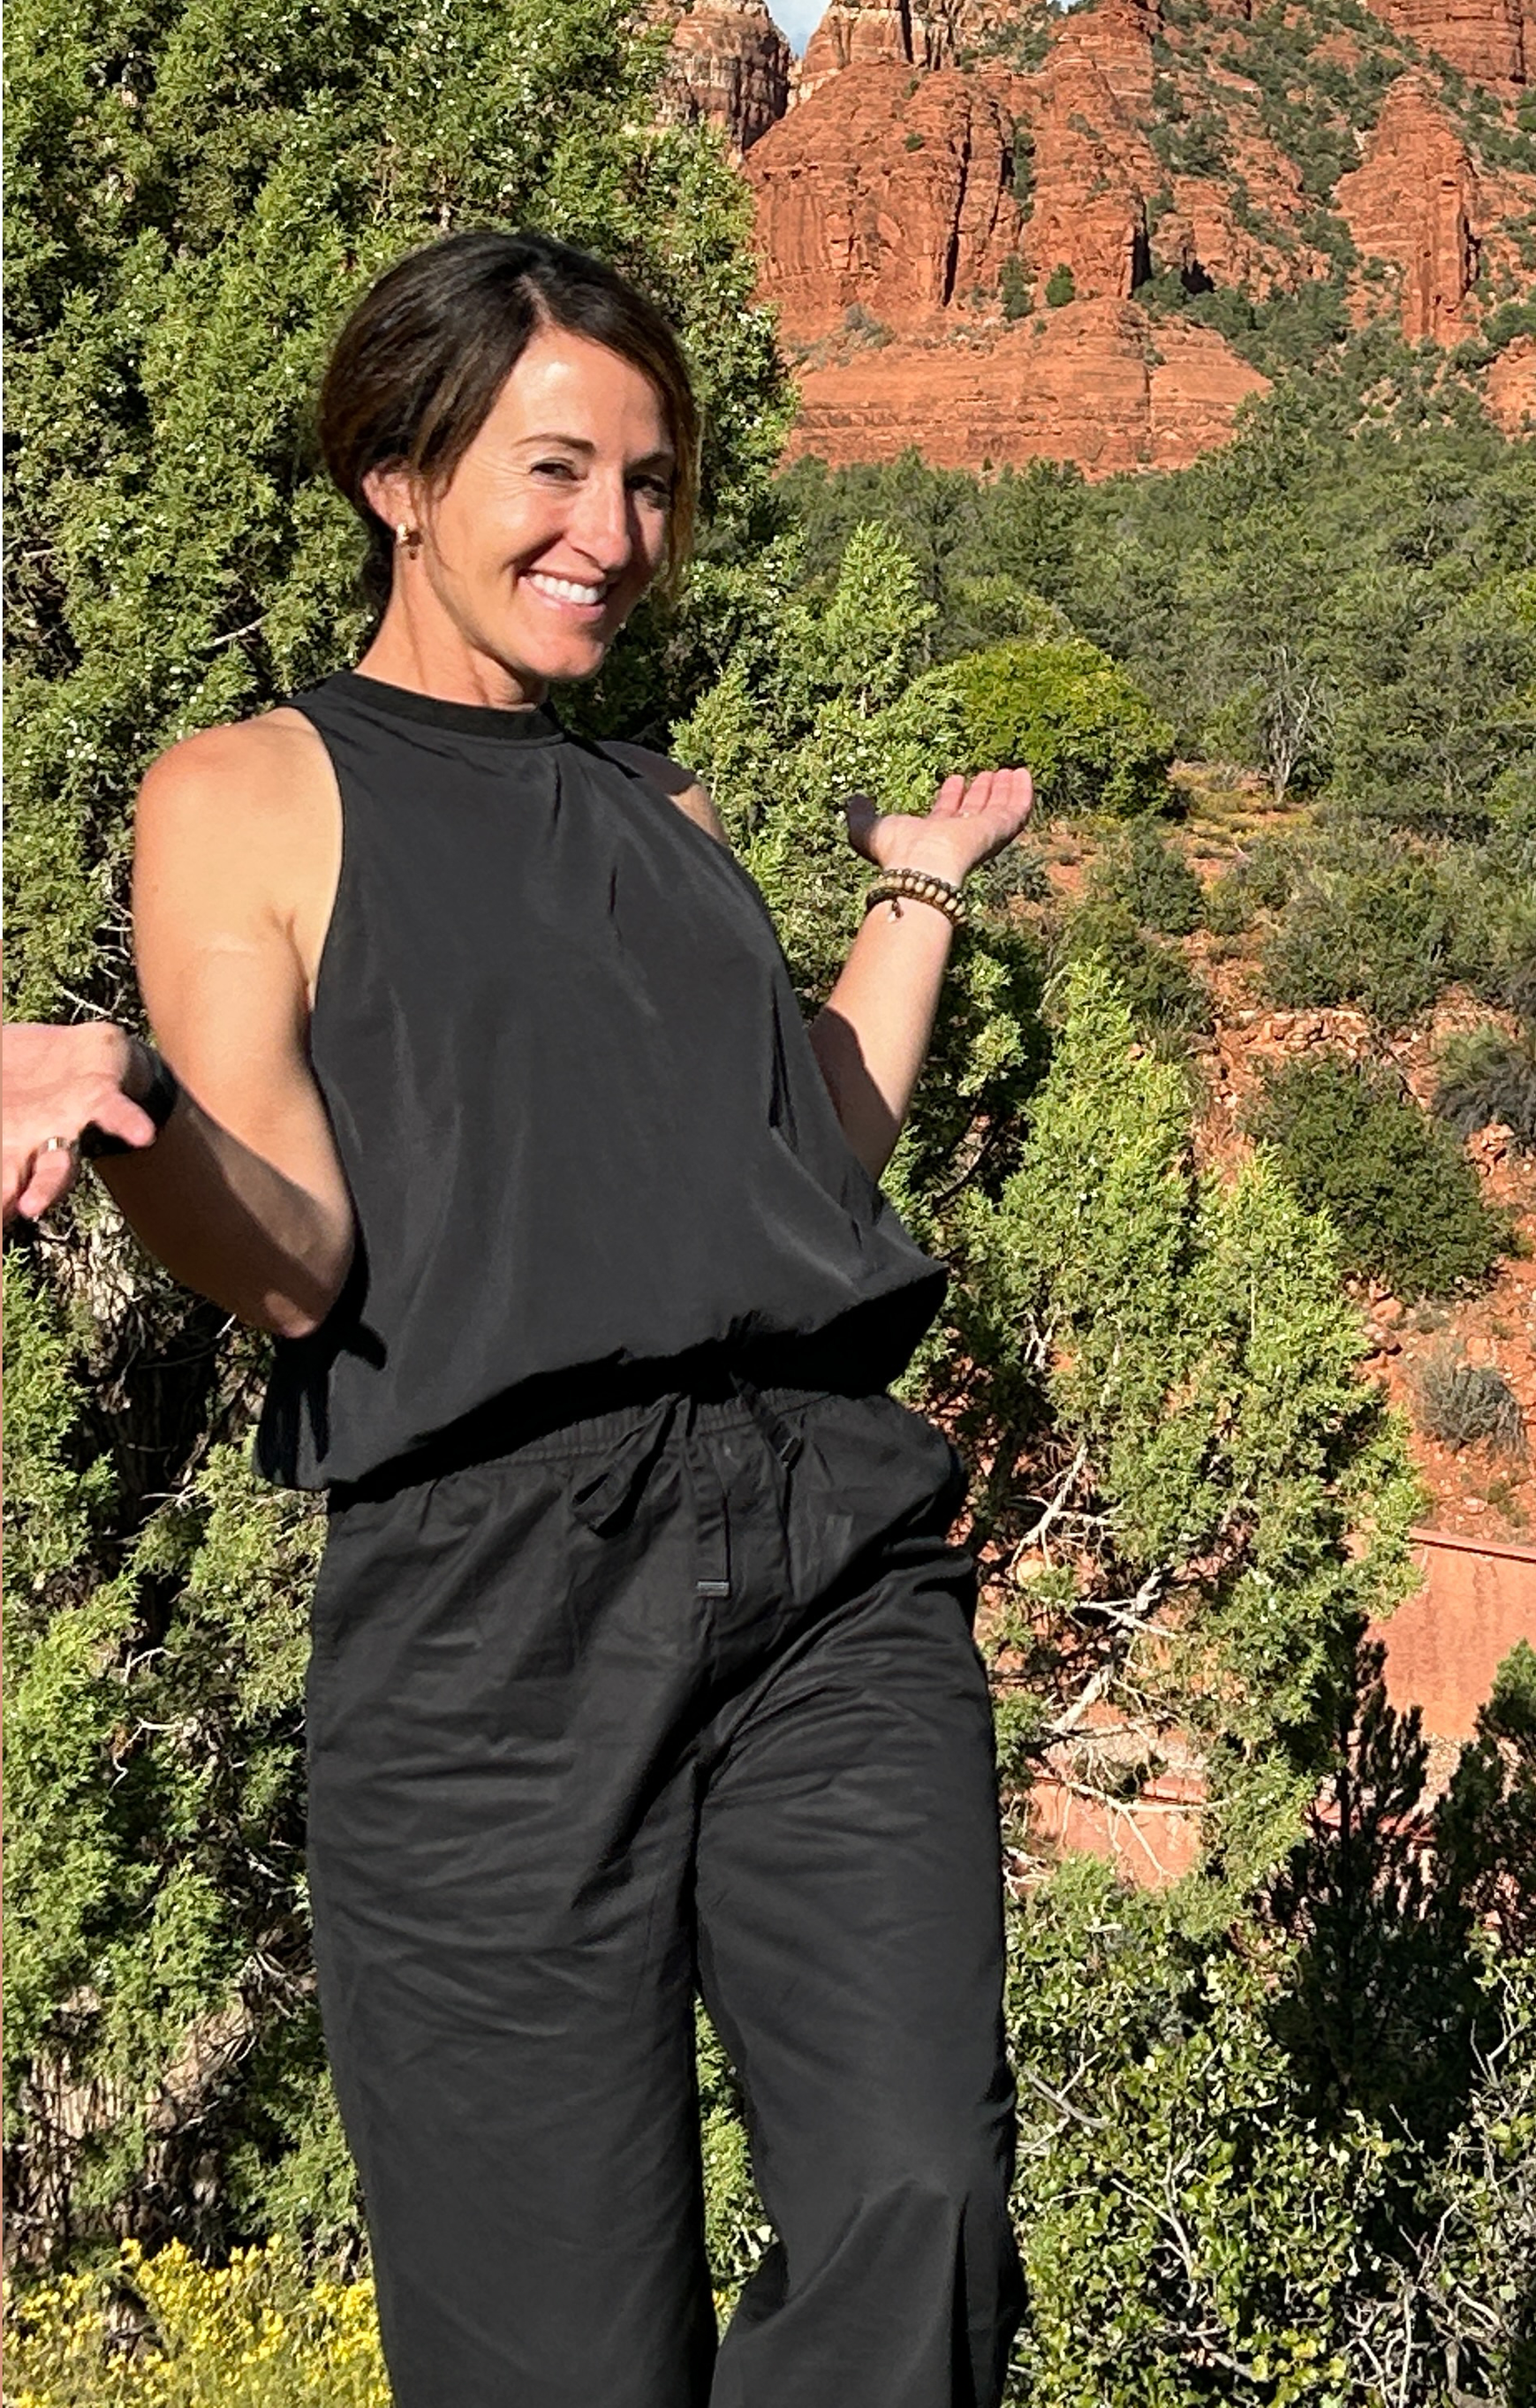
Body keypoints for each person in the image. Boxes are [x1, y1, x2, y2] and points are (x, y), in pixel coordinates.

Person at [2, 228, 1034, 2408]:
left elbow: (800, 1160)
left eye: (652, 483)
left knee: (916, 2202)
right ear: (399, 469)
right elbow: (291, 1248)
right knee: (548, 2353)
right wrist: (122, 1116)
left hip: (824, 1559)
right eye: (555, 469)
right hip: (489, 1620)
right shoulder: (248, 794)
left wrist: (914, 896)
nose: (613, 535)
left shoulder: (661, 812)